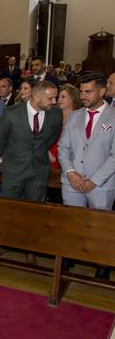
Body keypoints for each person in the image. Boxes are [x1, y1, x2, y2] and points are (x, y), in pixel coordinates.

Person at [58, 73, 115, 280]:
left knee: (100, 225)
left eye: (88, 91)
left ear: (102, 91)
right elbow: (63, 147)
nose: (83, 95)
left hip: (101, 184)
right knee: (72, 223)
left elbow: (114, 156)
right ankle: (69, 257)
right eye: (81, 91)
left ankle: (102, 264)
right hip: (72, 181)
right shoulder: (74, 116)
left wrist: (94, 180)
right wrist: (71, 172)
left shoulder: (113, 116)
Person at [0, 80, 62, 202]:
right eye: (50, 98)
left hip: (39, 171)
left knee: (35, 212)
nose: (54, 102)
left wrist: (40, 149)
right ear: (36, 97)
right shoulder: (11, 113)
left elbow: (53, 137)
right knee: (9, 210)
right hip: (13, 171)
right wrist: (12, 155)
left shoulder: (56, 114)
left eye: (55, 97)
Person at [49, 84, 82, 169]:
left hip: (67, 164)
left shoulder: (80, 118)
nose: (59, 100)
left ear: (73, 98)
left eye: (63, 97)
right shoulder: (53, 116)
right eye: (59, 97)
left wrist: (56, 159)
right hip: (47, 159)